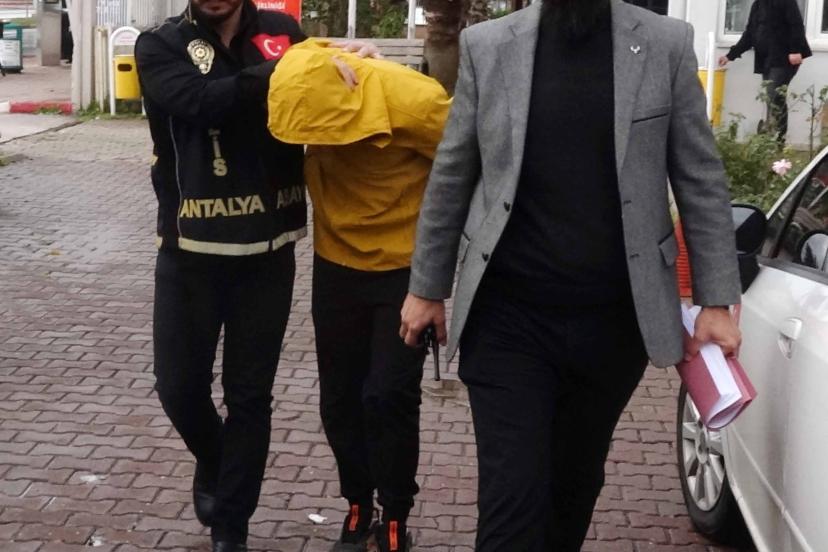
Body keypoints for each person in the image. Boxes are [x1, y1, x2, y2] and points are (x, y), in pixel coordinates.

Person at [399, 0, 743, 550]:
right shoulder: (489, 46)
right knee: (511, 507)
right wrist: (426, 287)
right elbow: (453, 171)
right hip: (507, 319)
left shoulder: (665, 44)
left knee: (572, 490)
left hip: (614, 325)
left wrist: (717, 300)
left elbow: (699, 175)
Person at [135, 3, 374, 551]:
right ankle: (216, 460)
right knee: (178, 388)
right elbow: (201, 103)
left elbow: (326, 96)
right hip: (190, 250)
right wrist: (288, 69)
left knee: (249, 396)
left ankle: (231, 525)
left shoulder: (282, 32)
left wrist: (361, 62)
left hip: (267, 250)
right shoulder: (160, 44)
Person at [267, 40, 451, 552]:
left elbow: (465, 171)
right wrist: (323, 55)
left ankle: (395, 514)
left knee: (388, 396)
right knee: (339, 399)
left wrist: (436, 282)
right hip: (335, 266)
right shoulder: (301, 80)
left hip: (404, 272)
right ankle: (357, 503)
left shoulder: (415, 100)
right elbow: (292, 55)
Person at [719, 0, 812, 144]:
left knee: (774, 95)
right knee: (770, 97)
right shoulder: (758, 4)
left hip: (785, 58)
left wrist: (795, 50)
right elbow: (749, 34)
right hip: (767, 58)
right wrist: (730, 55)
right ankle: (770, 137)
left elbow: (796, 25)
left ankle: (778, 139)